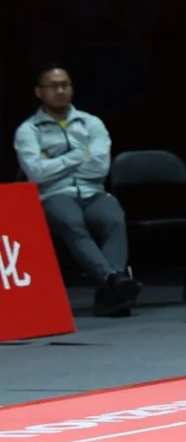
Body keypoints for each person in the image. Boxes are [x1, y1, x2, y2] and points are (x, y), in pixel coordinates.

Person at [13, 63, 141, 316]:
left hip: (93, 191)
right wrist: (78, 155)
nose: (60, 91)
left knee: (114, 219)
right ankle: (113, 280)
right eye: (53, 86)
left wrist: (54, 161)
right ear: (39, 92)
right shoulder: (28, 130)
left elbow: (99, 167)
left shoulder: (91, 123)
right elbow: (36, 173)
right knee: (71, 221)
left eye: (65, 85)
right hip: (54, 195)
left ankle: (111, 287)